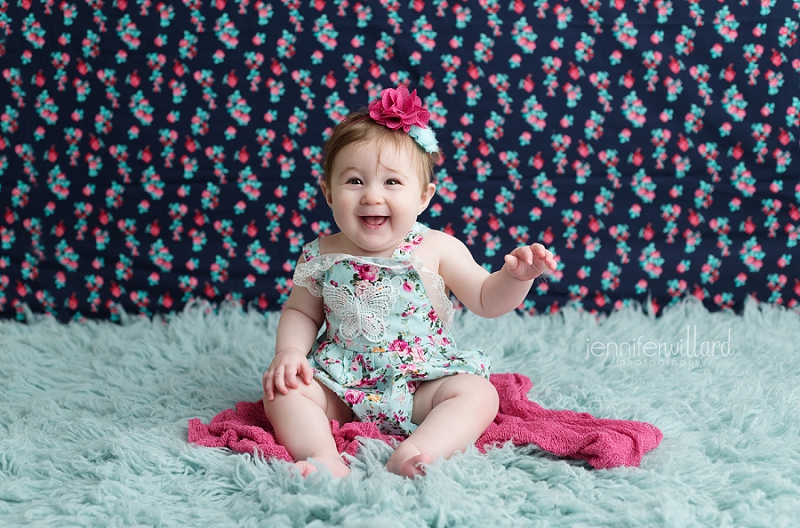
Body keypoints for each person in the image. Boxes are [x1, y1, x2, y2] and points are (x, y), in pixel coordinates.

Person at [262, 85, 557, 478]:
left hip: (421, 383)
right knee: (285, 392)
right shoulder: (320, 254)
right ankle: (323, 456)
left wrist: (515, 278)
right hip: (340, 382)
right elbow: (300, 310)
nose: (371, 196)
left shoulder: (436, 247)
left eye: (392, 183)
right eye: (354, 181)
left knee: (478, 393)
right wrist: (290, 353)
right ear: (329, 193)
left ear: (424, 196)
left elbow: (487, 299)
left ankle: (419, 451)